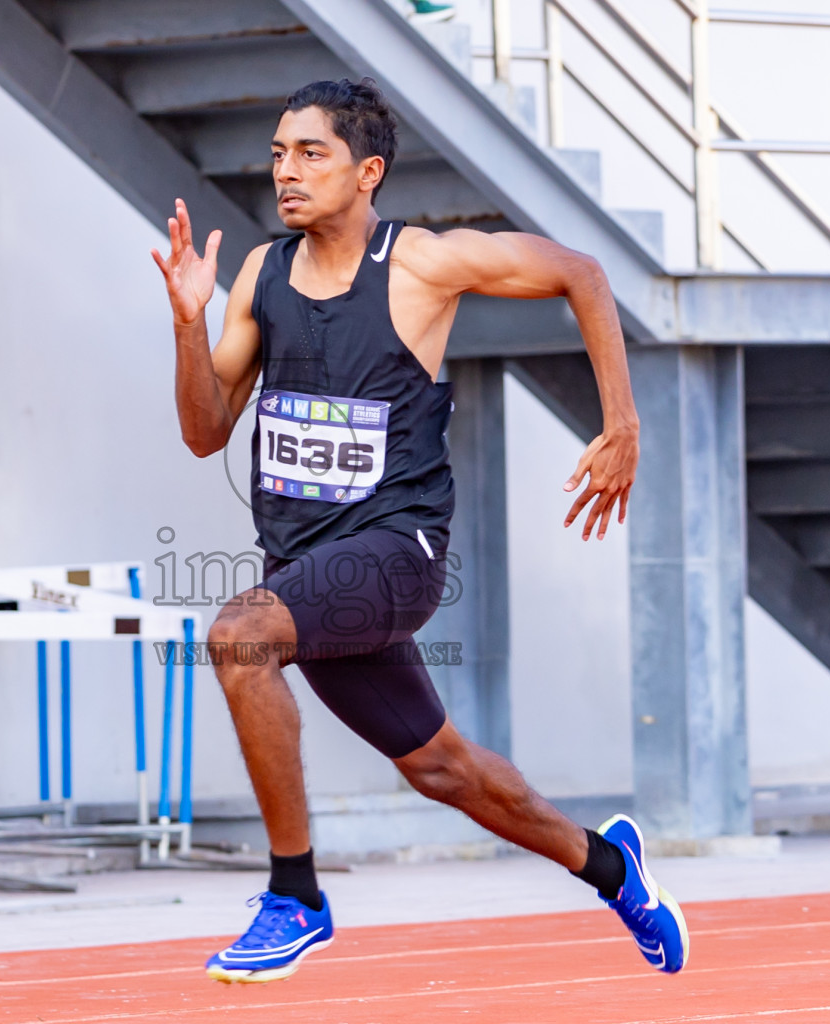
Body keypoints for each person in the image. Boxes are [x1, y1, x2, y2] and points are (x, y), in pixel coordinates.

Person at [150, 78, 687, 984]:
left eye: (311, 153)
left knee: (239, 639)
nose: (287, 171)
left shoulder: (422, 264)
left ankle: (295, 896)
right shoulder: (260, 275)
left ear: (368, 172)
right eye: (279, 153)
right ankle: (611, 866)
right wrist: (187, 322)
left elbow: (580, 273)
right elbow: (206, 431)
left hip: (398, 553)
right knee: (443, 770)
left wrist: (622, 423)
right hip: (308, 570)